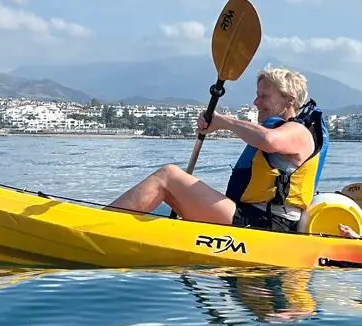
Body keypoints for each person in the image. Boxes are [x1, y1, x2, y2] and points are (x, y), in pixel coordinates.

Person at [107, 66, 326, 232]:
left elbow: (268, 140)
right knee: (176, 188)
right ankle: (115, 226)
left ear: (289, 100)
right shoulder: (281, 128)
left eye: (264, 96)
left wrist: (221, 121)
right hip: (249, 217)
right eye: (257, 94)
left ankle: (103, 227)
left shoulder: (300, 132)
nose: (256, 102)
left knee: (168, 176)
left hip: (267, 225)